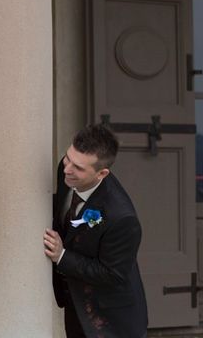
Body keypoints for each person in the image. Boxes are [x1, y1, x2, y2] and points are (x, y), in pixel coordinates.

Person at [43, 124, 148, 338]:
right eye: (68, 158)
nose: (67, 169)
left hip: (112, 320)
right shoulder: (66, 172)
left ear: (102, 173)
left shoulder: (122, 218)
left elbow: (112, 274)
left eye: (78, 167)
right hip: (76, 304)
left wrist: (61, 256)